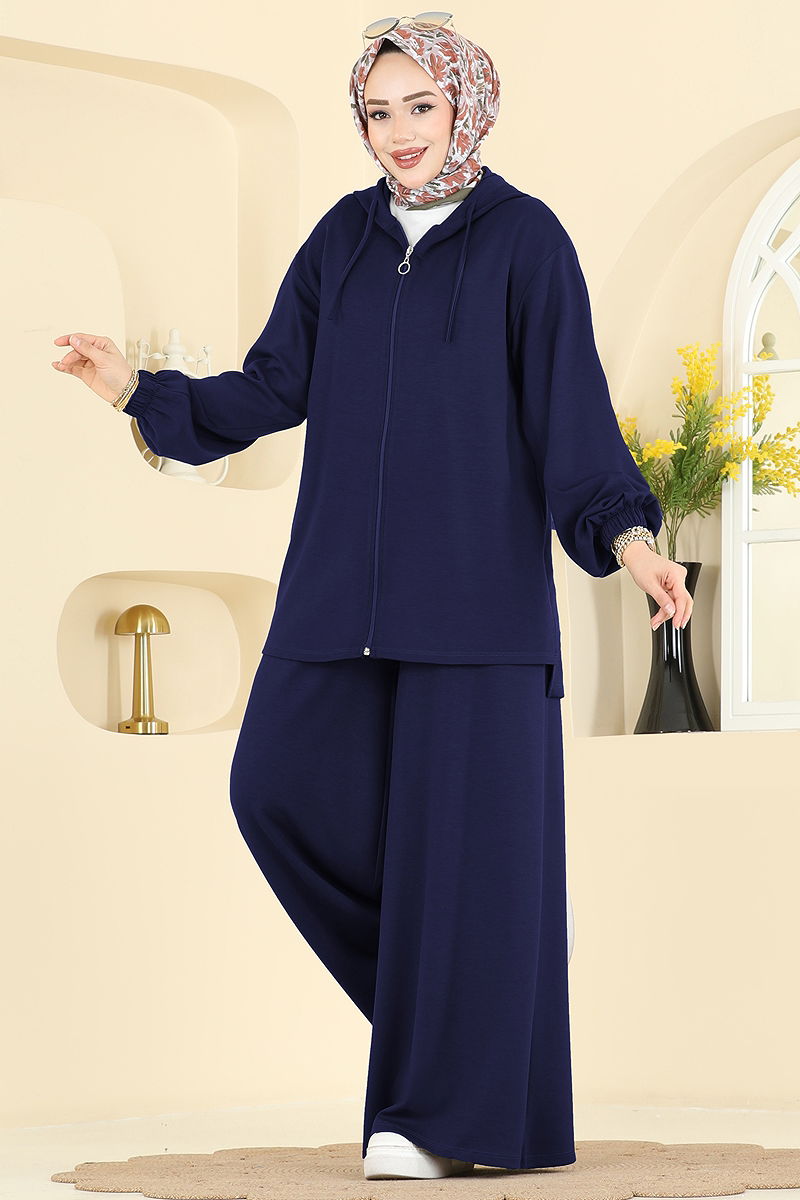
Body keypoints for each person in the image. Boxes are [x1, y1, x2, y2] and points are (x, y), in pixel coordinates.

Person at [51, 15, 692, 1182]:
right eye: (375, 111)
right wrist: (138, 388)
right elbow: (267, 388)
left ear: (465, 107)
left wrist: (631, 539)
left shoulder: (525, 242)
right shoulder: (341, 240)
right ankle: (456, 1049)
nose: (395, 132)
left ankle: (435, 1112)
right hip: (335, 601)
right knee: (272, 791)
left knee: (463, 865)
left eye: (418, 107)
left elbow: (570, 418)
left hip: (477, 617)